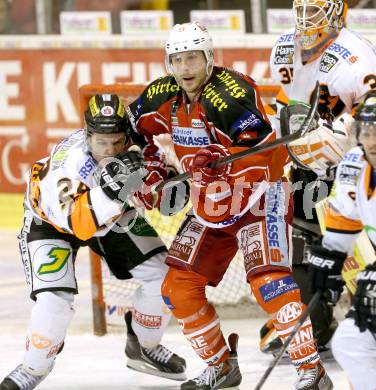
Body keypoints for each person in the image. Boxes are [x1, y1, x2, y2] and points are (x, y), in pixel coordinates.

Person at [126, 21, 333, 389]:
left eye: (193, 58)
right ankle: (221, 366)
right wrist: (152, 166)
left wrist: (227, 159)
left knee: (270, 284)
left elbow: (270, 156)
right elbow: (134, 130)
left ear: (208, 58)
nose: (186, 68)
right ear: (168, 63)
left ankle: (312, 372)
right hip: (211, 206)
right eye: (178, 60)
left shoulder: (231, 95)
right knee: (177, 288)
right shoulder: (162, 94)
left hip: (259, 198)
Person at [0, 94, 187, 390]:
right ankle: (33, 368)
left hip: (112, 218)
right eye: (101, 142)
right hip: (51, 223)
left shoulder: (141, 146)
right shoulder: (69, 166)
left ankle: (143, 344)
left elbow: (161, 195)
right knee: (53, 303)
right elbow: (79, 224)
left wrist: (173, 188)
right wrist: (114, 191)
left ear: (127, 135)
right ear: (88, 136)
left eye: (117, 141)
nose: (110, 150)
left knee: (165, 277)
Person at [260, 0, 376, 358]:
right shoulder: (284, 47)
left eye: (315, 11)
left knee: (356, 254)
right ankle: (314, 323)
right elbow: (285, 103)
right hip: (304, 169)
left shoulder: (357, 57)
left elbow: (372, 114)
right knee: (291, 241)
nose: (305, 19)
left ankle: (368, 321)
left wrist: (340, 137)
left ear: (337, 12)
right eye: (302, 10)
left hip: (347, 171)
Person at [308, 90, 376, 389]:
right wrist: (329, 259)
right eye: (367, 131)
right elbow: (344, 222)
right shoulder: (355, 164)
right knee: (351, 342)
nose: (372, 141)